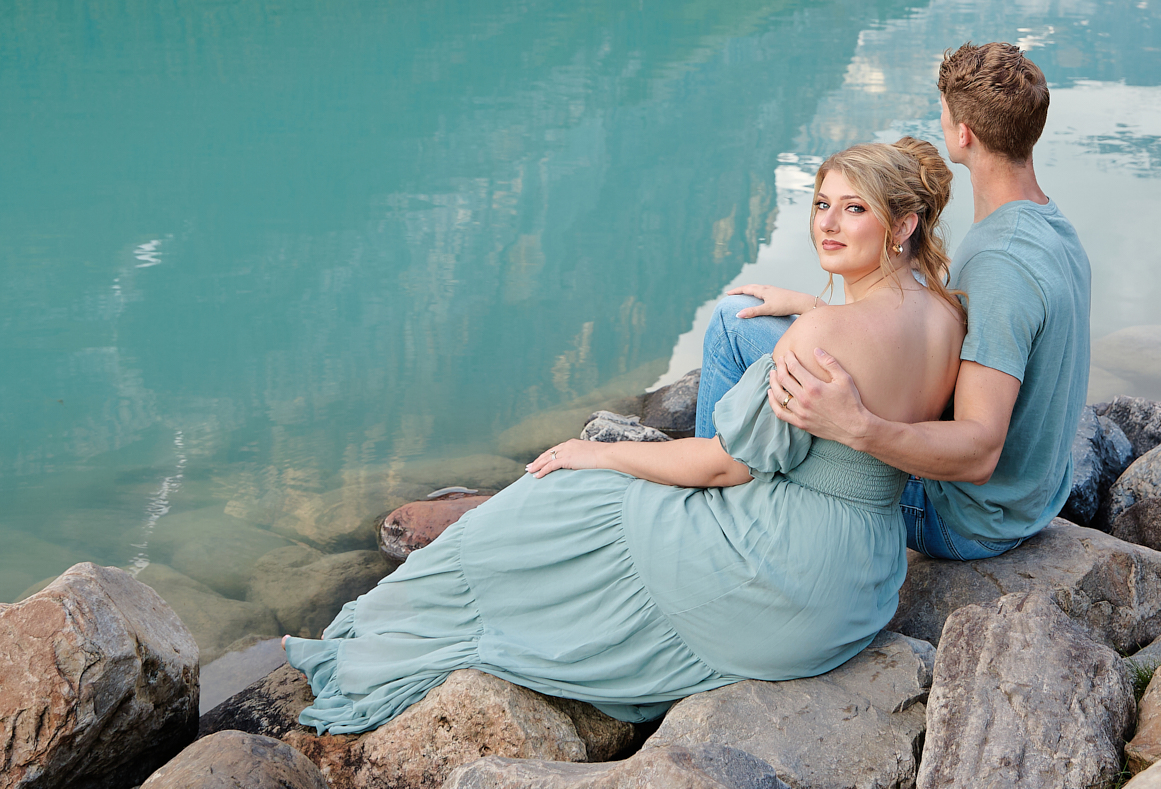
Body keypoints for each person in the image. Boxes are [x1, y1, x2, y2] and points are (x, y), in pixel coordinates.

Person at [283, 139, 963, 734]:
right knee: (606, 504)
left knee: (573, 492)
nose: (829, 223)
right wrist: (815, 306)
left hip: (785, 577)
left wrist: (597, 452)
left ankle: (399, 626)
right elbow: (881, 344)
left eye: (854, 208)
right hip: (862, 582)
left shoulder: (822, 337)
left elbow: (727, 468)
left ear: (901, 223)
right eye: (822, 203)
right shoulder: (944, 316)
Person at [704, 42, 1088, 560]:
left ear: (962, 134)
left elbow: (978, 450)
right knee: (763, 323)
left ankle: (713, 487)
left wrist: (861, 428)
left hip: (966, 516)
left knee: (732, 324)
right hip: (1029, 497)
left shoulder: (999, 267)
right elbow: (921, 344)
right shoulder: (1052, 227)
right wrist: (812, 310)